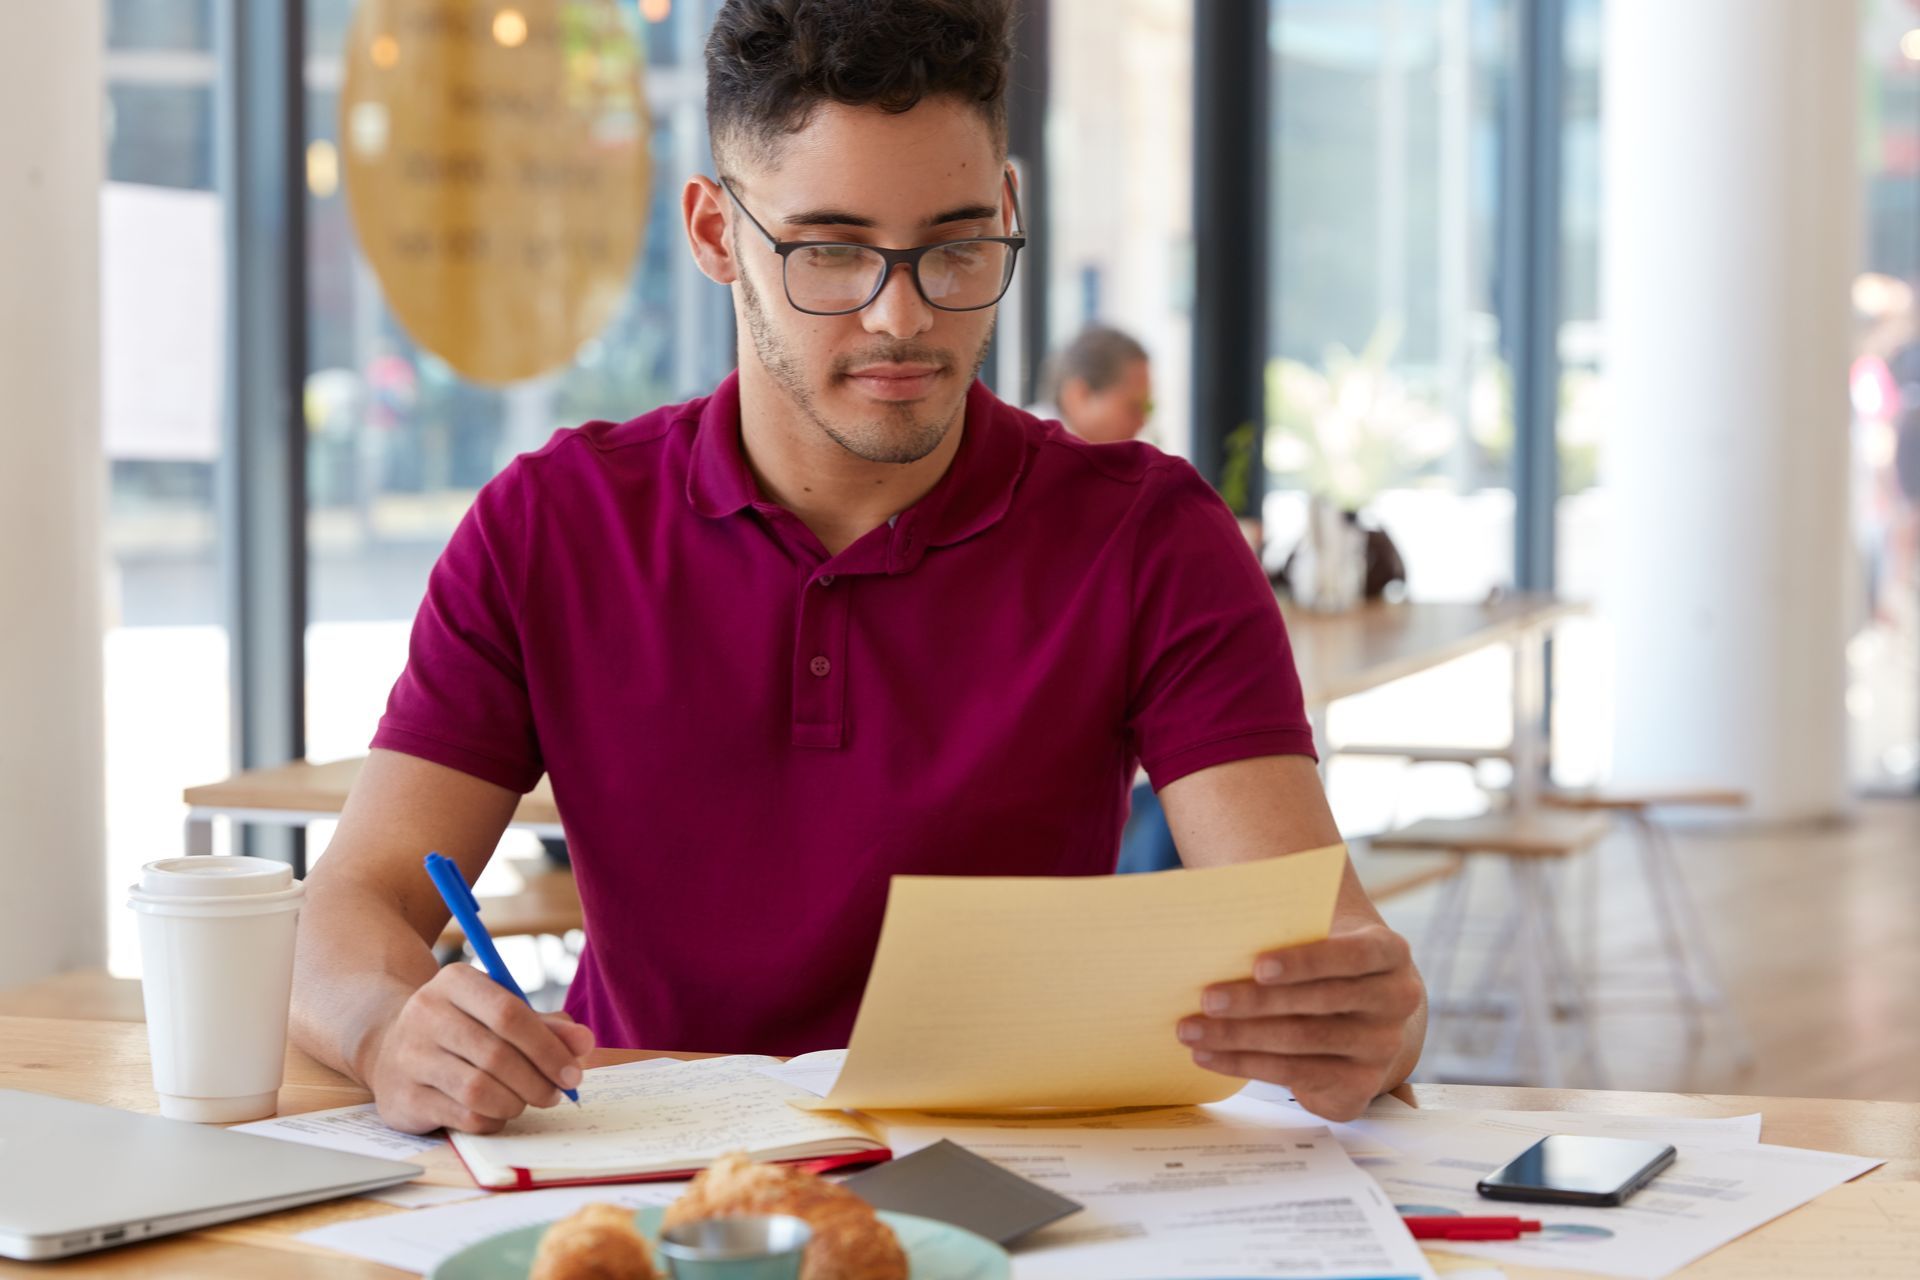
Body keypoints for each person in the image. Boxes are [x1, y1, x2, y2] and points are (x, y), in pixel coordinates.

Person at [290, 0, 1426, 1136]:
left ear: (1010, 211)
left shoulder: (1151, 535)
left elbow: (1325, 944)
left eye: (956, 245)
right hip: (643, 1170)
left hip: (1020, 1183)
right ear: (713, 232)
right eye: (830, 249)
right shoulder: (548, 527)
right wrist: (392, 1033)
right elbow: (347, 911)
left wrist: (1373, 1021)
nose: (903, 316)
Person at [1033, 325, 1154, 444]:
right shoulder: (1033, 451)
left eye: (1146, 408)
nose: (1142, 421)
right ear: (1078, 396)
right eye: (1133, 407)